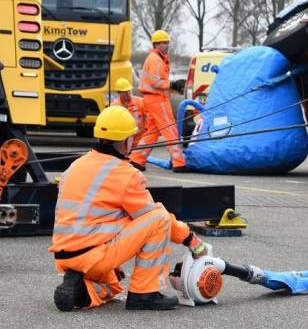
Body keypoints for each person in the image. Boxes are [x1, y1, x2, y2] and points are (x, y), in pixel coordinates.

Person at [50, 106, 207, 311]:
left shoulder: (76, 165)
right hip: (94, 254)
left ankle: (81, 292)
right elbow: (153, 217)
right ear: (126, 141)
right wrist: (189, 238)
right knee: (158, 218)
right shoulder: (125, 174)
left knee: (112, 285)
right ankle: (144, 294)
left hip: (66, 255)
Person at [128, 30, 188, 173]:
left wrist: (171, 87)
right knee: (170, 129)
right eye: (163, 43)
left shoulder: (156, 58)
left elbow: (155, 81)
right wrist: (172, 84)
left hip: (152, 99)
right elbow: (155, 81)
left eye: (167, 42)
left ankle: (136, 159)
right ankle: (179, 162)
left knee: (153, 132)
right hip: (156, 99)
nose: (166, 45)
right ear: (156, 44)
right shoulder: (155, 59)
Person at [111, 78, 147, 144]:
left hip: (140, 141)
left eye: (129, 90)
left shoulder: (140, 102)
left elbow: (149, 118)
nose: (128, 93)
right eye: (125, 92)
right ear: (119, 93)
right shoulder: (114, 107)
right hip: (123, 142)